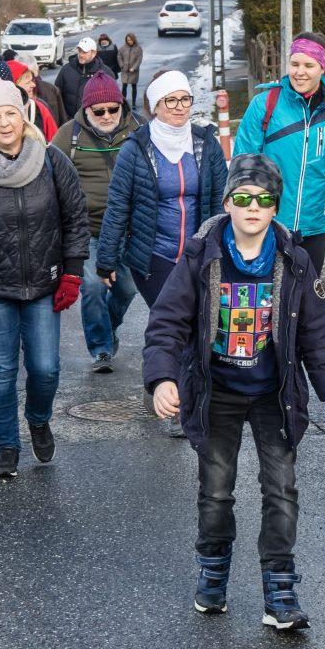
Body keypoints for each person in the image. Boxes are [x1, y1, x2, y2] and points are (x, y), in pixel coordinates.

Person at [143, 153, 325, 631]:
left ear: (275, 207)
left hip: (275, 394)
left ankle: (280, 589)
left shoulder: (295, 262)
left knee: (281, 490)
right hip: (216, 392)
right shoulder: (201, 257)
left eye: (263, 199)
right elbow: (167, 322)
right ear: (227, 203)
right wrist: (163, 378)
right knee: (217, 490)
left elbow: (318, 337)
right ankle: (213, 572)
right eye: (242, 197)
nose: (252, 207)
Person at [0, 78, 90, 480]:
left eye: (10, 113)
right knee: (1, 372)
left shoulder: (52, 161)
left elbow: (75, 217)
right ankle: (6, 445)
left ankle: (38, 419)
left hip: (45, 285)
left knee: (45, 369)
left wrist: (73, 273)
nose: (4, 123)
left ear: (23, 116)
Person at [96, 69, 227, 434]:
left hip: (198, 254)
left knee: (199, 325)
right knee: (175, 323)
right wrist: (106, 259)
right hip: (154, 255)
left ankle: (161, 381)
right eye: (171, 100)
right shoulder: (136, 149)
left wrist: (224, 246)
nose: (180, 107)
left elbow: (221, 199)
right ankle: (177, 406)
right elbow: (118, 205)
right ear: (155, 106)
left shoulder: (206, 144)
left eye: (185, 99)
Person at [232, 32, 325, 276]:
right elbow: (241, 169)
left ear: (322, 68)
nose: (299, 72)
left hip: (315, 227)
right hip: (267, 222)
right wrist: (239, 222)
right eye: (294, 64)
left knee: (306, 294)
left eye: (309, 65)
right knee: (269, 296)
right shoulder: (265, 104)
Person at [52, 71, 142, 374]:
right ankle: (101, 348)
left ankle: (108, 326)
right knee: (92, 287)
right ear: (86, 109)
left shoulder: (140, 130)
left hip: (130, 230)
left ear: (121, 105)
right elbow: (50, 179)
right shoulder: (68, 136)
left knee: (128, 288)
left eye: (112, 109)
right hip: (88, 230)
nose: (106, 116)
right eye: (98, 111)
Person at [54, 35, 105, 120]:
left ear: (94, 53)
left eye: (84, 52)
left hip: (95, 122)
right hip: (70, 121)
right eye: (79, 51)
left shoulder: (105, 73)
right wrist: (63, 119)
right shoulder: (66, 70)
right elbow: (56, 95)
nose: (81, 54)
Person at [11, 58, 66, 132]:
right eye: (27, 82)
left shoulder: (39, 106)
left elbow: (55, 131)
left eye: (32, 79)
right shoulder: (4, 109)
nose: (33, 85)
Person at [118, 33, 144, 112]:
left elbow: (139, 59)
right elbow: (119, 56)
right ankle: (123, 103)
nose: (129, 41)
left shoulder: (138, 48)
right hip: (125, 70)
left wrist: (134, 68)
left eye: (130, 40)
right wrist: (122, 65)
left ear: (134, 39)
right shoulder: (123, 48)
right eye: (128, 40)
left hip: (134, 71)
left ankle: (133, 103)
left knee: (134, 86)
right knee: (124, 86)